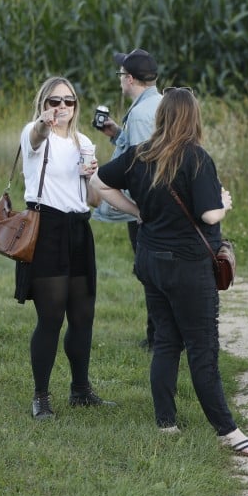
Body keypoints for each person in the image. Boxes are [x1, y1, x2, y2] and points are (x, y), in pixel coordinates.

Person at [89, 87, 248, 457]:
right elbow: (209, 215)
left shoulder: (139, 155)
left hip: (150, 260)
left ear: (161, 117)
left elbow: (99, 182)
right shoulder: (197, 159)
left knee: (167, 341)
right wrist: (223, 204)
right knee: (203, 348)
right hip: (188, 266)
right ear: (193, 118)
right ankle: (228, 432)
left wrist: (138, 212)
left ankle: (166, 423)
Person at [15, 76, 115, 420]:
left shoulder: (84, 141)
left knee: (83, 315)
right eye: (54, 101)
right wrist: (43, 125)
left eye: (68, 102)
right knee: (51, 316)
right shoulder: (35, 133)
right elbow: (35, 137)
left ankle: (81, 389)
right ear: (44, 104)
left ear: (76, 106)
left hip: (78, 229)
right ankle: (41, 396)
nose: (61, 108)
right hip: (47, 229)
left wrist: (90, 177)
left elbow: (93, 199)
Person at [92, 48, 162, 350]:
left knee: (150, 272)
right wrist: (115, 133)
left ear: (130, 78)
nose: (120, 78)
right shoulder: (156, 103)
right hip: (151, 206)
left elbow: (142, 165)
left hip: (145, 208)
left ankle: (158, 338)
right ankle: (159, 335)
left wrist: (135, 207)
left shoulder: (143, 115)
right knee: (152, 271)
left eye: (122, 74)